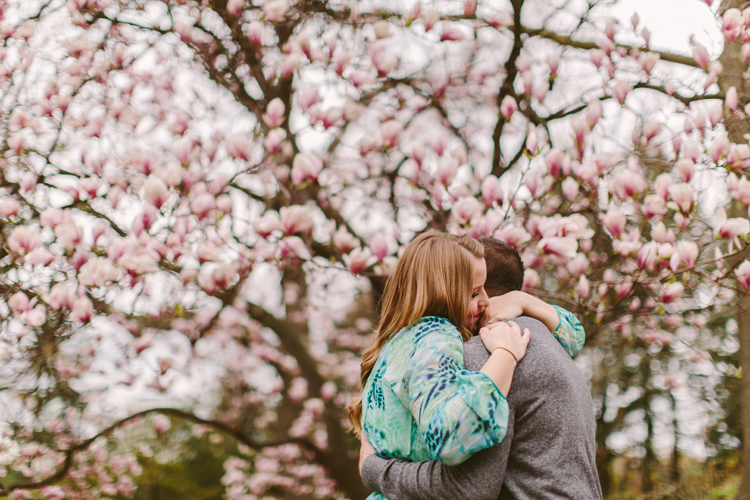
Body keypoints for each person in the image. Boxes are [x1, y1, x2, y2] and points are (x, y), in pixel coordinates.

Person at [359, 238, 603, 500]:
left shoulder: (486, 354)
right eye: (474, 293)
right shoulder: (548, 340)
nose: (483, 301)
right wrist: (527, 302)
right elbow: (576, 334)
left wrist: (372, 468)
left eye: (481, 291)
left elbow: (465, 489)